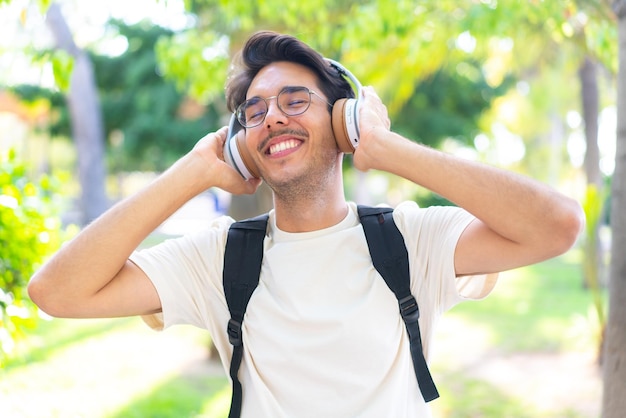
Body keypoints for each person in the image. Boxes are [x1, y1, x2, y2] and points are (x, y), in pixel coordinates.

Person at [28, 31, 584, 417]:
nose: (272, 117)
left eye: (296, 101)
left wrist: (385, 148)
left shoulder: (412, 239)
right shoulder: (216, 257)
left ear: (343, 122)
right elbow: (56, 292)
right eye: (254, 112)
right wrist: (195, 170)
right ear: (241, 142)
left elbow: (556, 225)